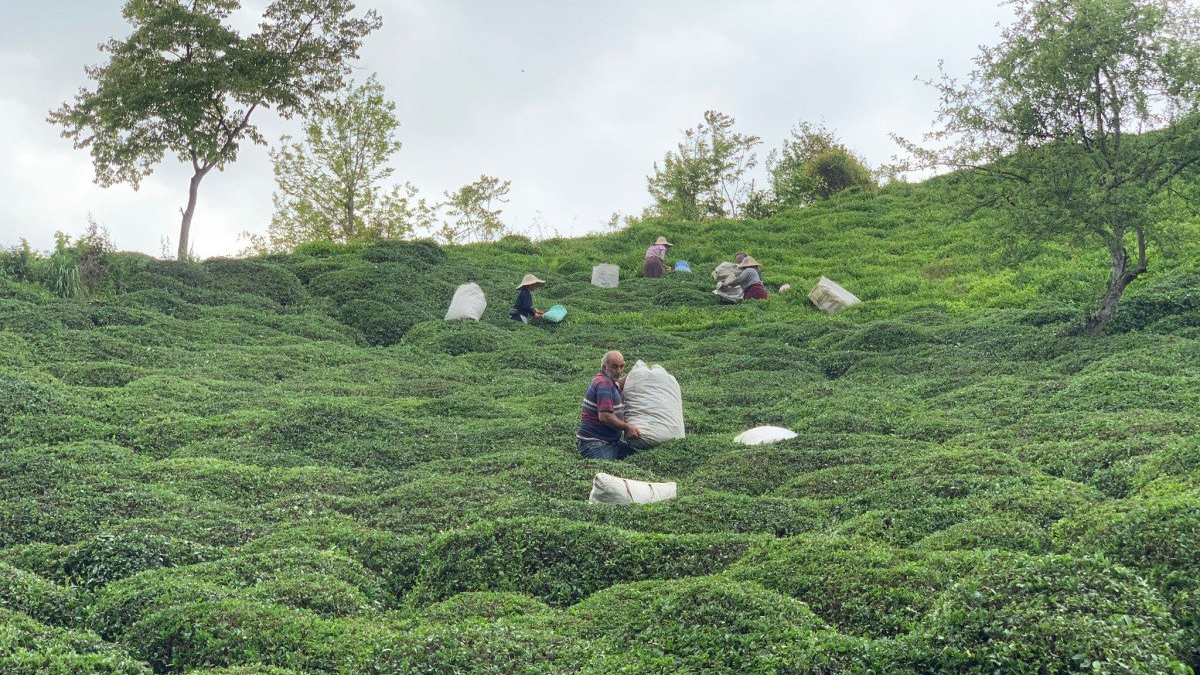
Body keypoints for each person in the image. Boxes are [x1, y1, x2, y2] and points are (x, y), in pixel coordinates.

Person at [577, 350, 641, 460]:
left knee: (639, 458)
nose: (619, 371)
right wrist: (627, 427)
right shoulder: (603, 384)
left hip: (612, 442)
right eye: (614, 367)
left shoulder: (609, 381)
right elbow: (605, 417)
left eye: (621, 367)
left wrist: (635, 373)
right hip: (595, 443)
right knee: (606, 471)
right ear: (604, 367)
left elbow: (618, 384)